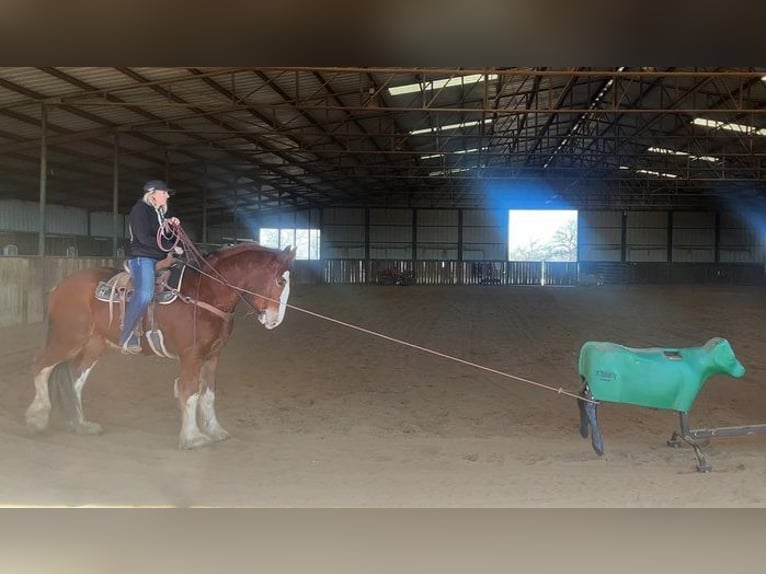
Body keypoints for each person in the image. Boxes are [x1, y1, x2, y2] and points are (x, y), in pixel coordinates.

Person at [119, 179, 181, 354]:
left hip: (158, 257)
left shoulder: (158, 213)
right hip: (142, 257)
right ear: (152, 193)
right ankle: (127, 335)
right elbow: (144, 238)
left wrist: (172, 227)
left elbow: (164, 238)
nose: (167, 195)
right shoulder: (140, 211)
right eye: (164, 192)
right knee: (145, 294)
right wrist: (170, 247)